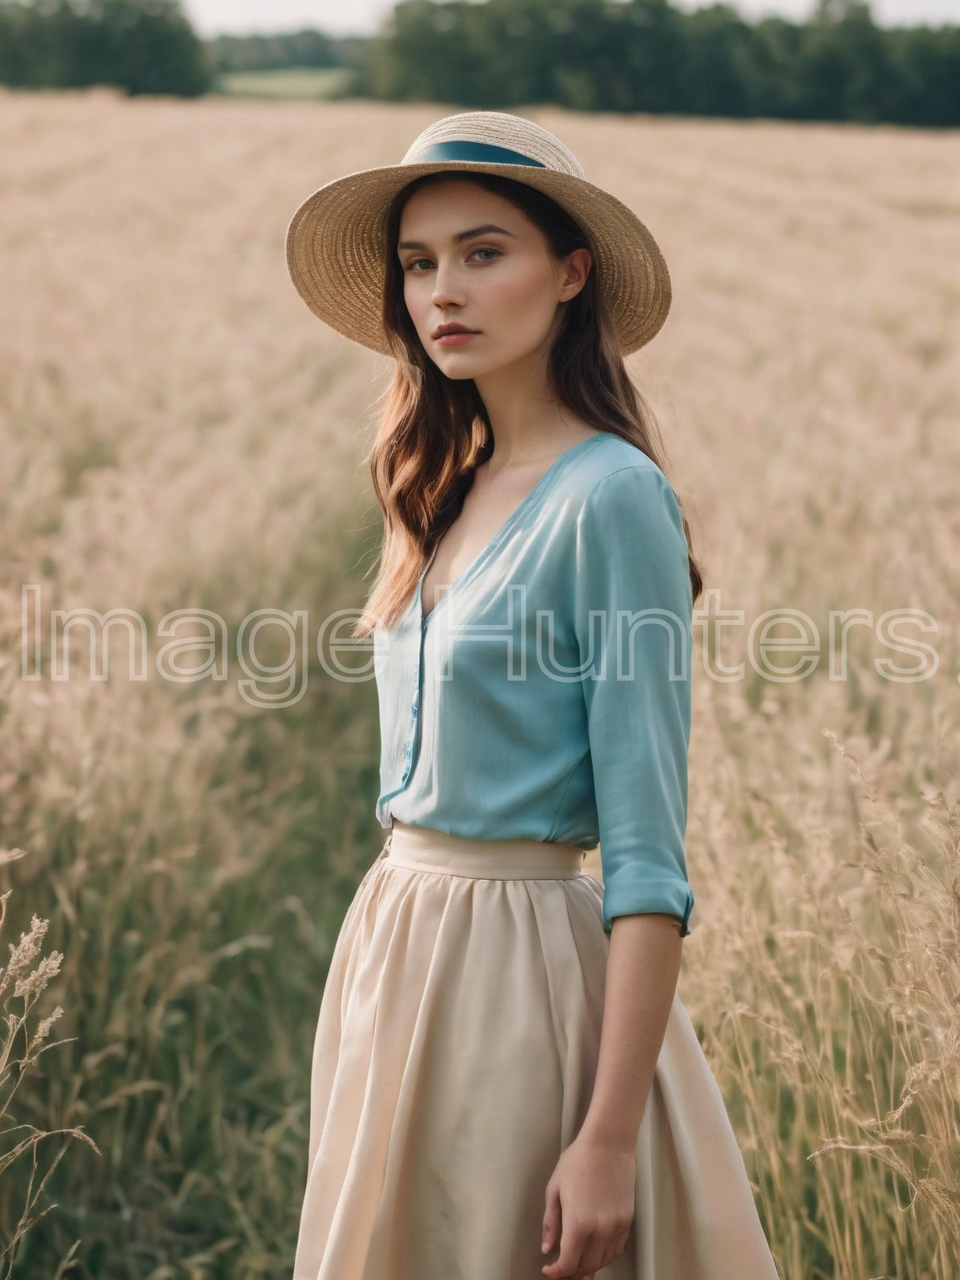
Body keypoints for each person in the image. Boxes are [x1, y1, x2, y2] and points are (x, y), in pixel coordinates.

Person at [285, 110, 780, 1280]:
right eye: (418, 263)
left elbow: (650, 856)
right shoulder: (447, 484)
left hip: (520, 982)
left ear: (570, 273)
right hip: (396, 949)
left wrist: (607, 1139)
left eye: (482, 250)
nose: (441, 290)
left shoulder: (611, 497)